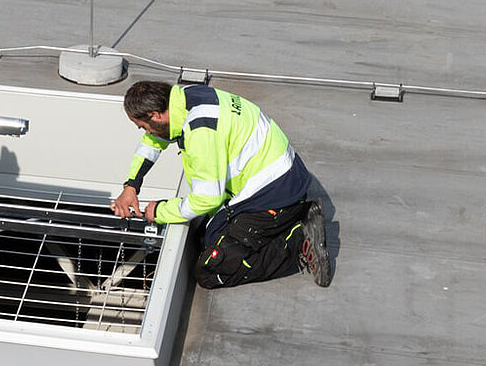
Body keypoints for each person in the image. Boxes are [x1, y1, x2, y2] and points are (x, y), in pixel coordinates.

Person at [110, 80, 331, 289]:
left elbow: (207, 198)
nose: (146, 133)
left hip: (275, 192)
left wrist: (160, 211)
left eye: (143, 126)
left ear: (156, 115)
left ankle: (299, 239)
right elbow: (153, 141)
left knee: (211, 268)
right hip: (282, 178)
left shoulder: (200, 132)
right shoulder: (184, 98)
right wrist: (131, 186)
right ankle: (292, 216)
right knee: (207, 236)